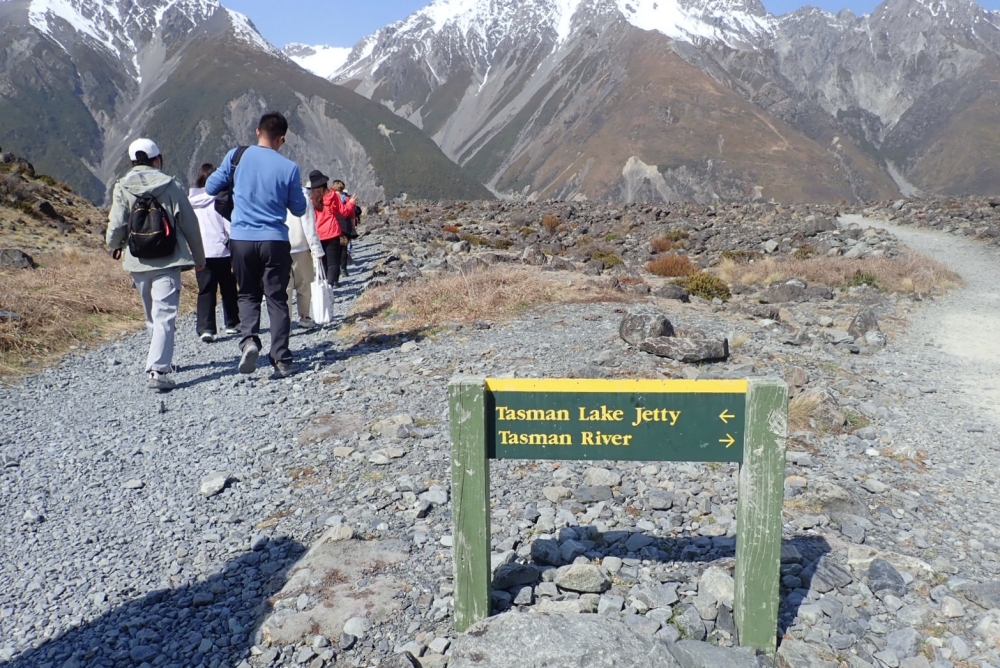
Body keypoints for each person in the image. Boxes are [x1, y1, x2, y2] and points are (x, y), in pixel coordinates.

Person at [205, 112, 308, 378]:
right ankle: (282, 359)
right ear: (282, 139)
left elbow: (211, 187)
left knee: (248, 294)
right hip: (274, 239)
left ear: (256, 131)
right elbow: (299, 208)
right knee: (276, 298)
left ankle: (249, 341)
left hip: (241, 238)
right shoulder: (289, 168)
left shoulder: (236, 156)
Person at [107, 138, 206, 391]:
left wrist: (116, 245)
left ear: (132, 162)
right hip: (168, 259)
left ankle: (158, 362)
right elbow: (190, 224)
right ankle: (158, 369)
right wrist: (200, 258)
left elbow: (117, 225)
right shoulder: (169, 185)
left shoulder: (122, 187)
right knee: (165, 316)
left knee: (152, 316)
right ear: (157, 160)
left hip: (138, 262)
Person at [188, 163, 240, 342]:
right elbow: (229, 226)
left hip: (200, 252)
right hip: (222, 251)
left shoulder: (191, 203)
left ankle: (206, 328)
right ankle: (232, 323)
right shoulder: (219, 199)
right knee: (228, 288)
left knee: (205, 290)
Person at [308, 170, 358, 288]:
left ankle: (324, 287)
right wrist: (351, 203)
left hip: (318, 233)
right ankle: (330, 286)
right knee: (333, 262)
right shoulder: (332, 196)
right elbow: (344, 212)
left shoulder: (311, 200)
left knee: (323, 262)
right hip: (332, 232)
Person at [284, 187, 324, 328]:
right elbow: (309, 228)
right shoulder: (303, 199)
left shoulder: (275, 196)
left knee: (284, 289)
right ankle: (304, 316)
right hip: (300, 247)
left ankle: (285, 323)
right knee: (305, 285)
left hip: (279, 248)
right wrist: (317, 250)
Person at [330, 179, 357, 277]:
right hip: (345, 225)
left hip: (333, 226)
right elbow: (352, 214)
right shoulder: (346, 199)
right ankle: (343, 269)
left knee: (334, 250)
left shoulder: (330, 198)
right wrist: (353, 226)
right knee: (343, 248)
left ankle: (334, 275)